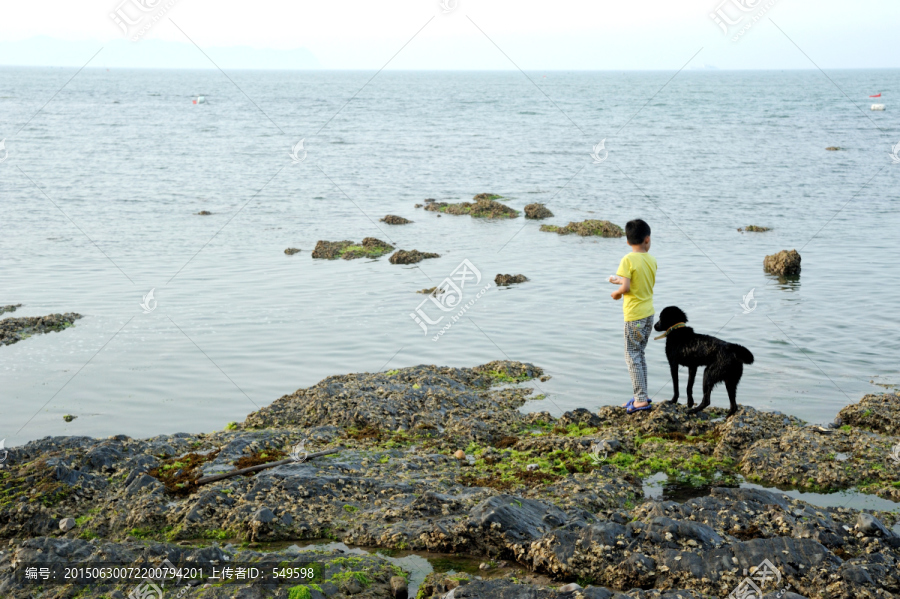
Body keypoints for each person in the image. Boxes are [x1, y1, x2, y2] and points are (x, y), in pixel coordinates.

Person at [609, 219, 657, 413]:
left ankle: (640, 400)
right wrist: (620, 280)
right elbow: (639, 282)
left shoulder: (627, 260)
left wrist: (617, 292)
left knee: (632, 355)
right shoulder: (651, 260)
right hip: (648, 315)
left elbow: (627, 288)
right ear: (647, 239)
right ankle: (642, 394)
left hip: (634, 316)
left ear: (628, 241)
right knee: (640, 354)